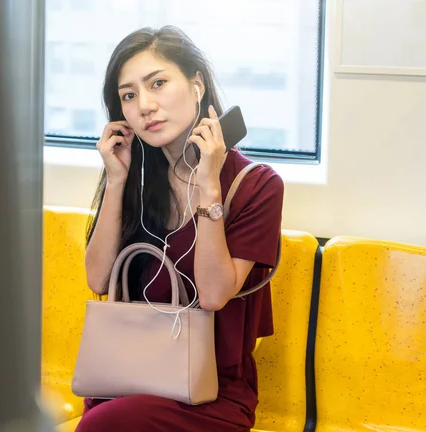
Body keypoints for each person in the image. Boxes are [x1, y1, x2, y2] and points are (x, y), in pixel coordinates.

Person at [78, 25, 284, 432]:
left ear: (196, 85)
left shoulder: (257, 185)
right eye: (129, 95)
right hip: (126, 374)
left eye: (158, 83)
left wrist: (209, 184)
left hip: (209, 393)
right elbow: (97, 277)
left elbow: (212, 295)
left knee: (102, 426)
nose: (145, 106)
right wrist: (116, 181)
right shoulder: (135, 175)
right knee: (105, 419)